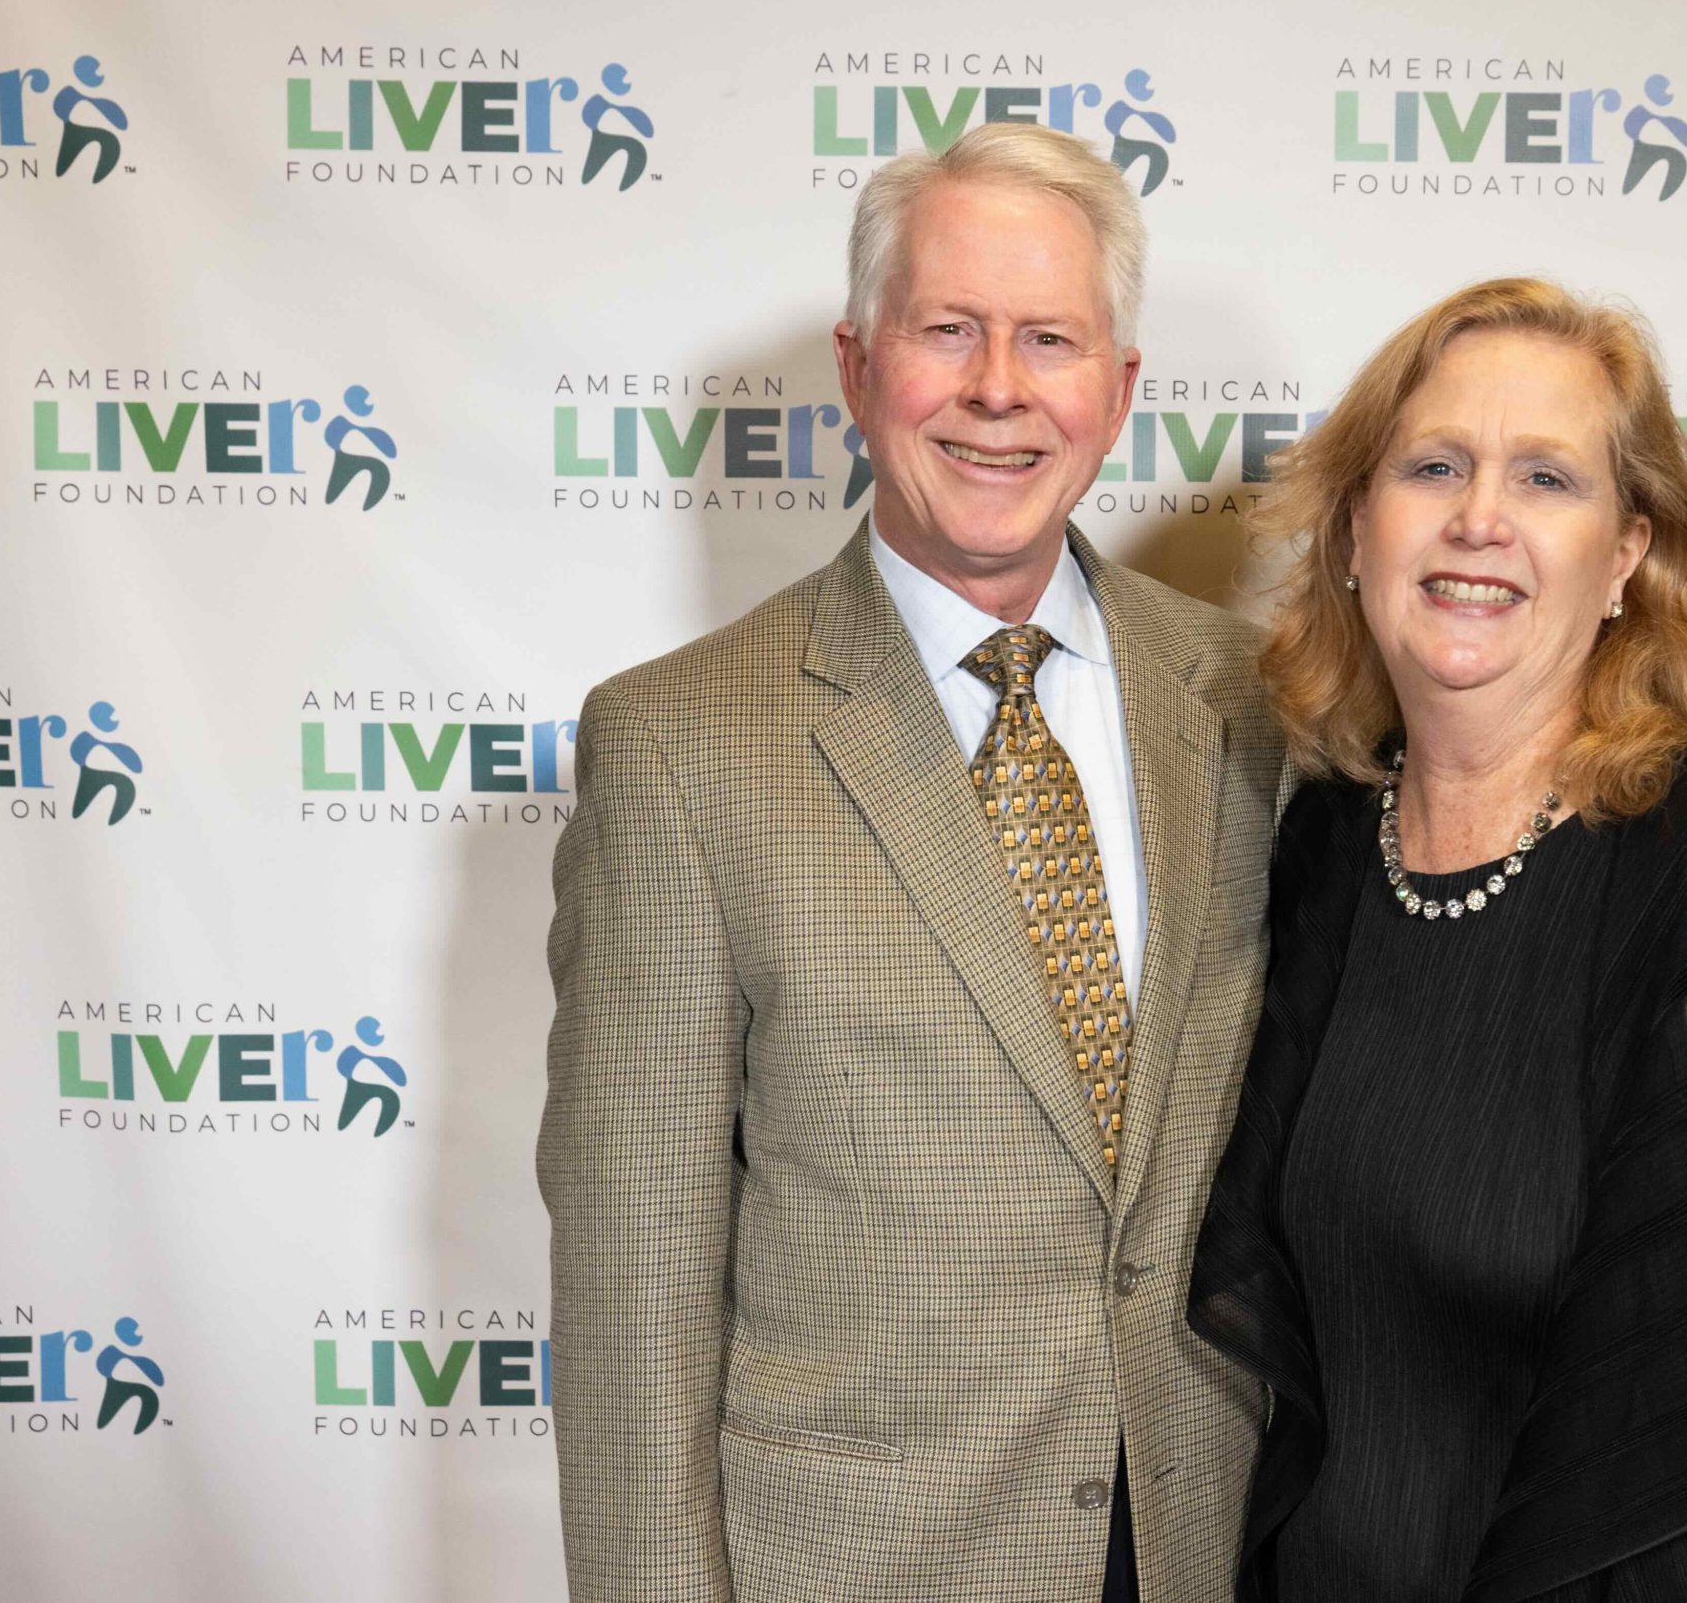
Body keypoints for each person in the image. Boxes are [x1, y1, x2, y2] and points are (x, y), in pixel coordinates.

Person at [537, 122, 1287, 1603]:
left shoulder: (1256, 706)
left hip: (1209, 1549)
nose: (1000, 386)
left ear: (1119, 390)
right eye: (948, 330)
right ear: (857, 366)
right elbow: (636, 1288)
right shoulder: (681, 748)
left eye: (1051, 339)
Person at [1189, 278, 1687, 1601]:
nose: (1479, 517)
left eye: (1547, 478)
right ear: (1354, 528)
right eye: (1433, 466)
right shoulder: (1320, 853)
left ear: (1625, 555)